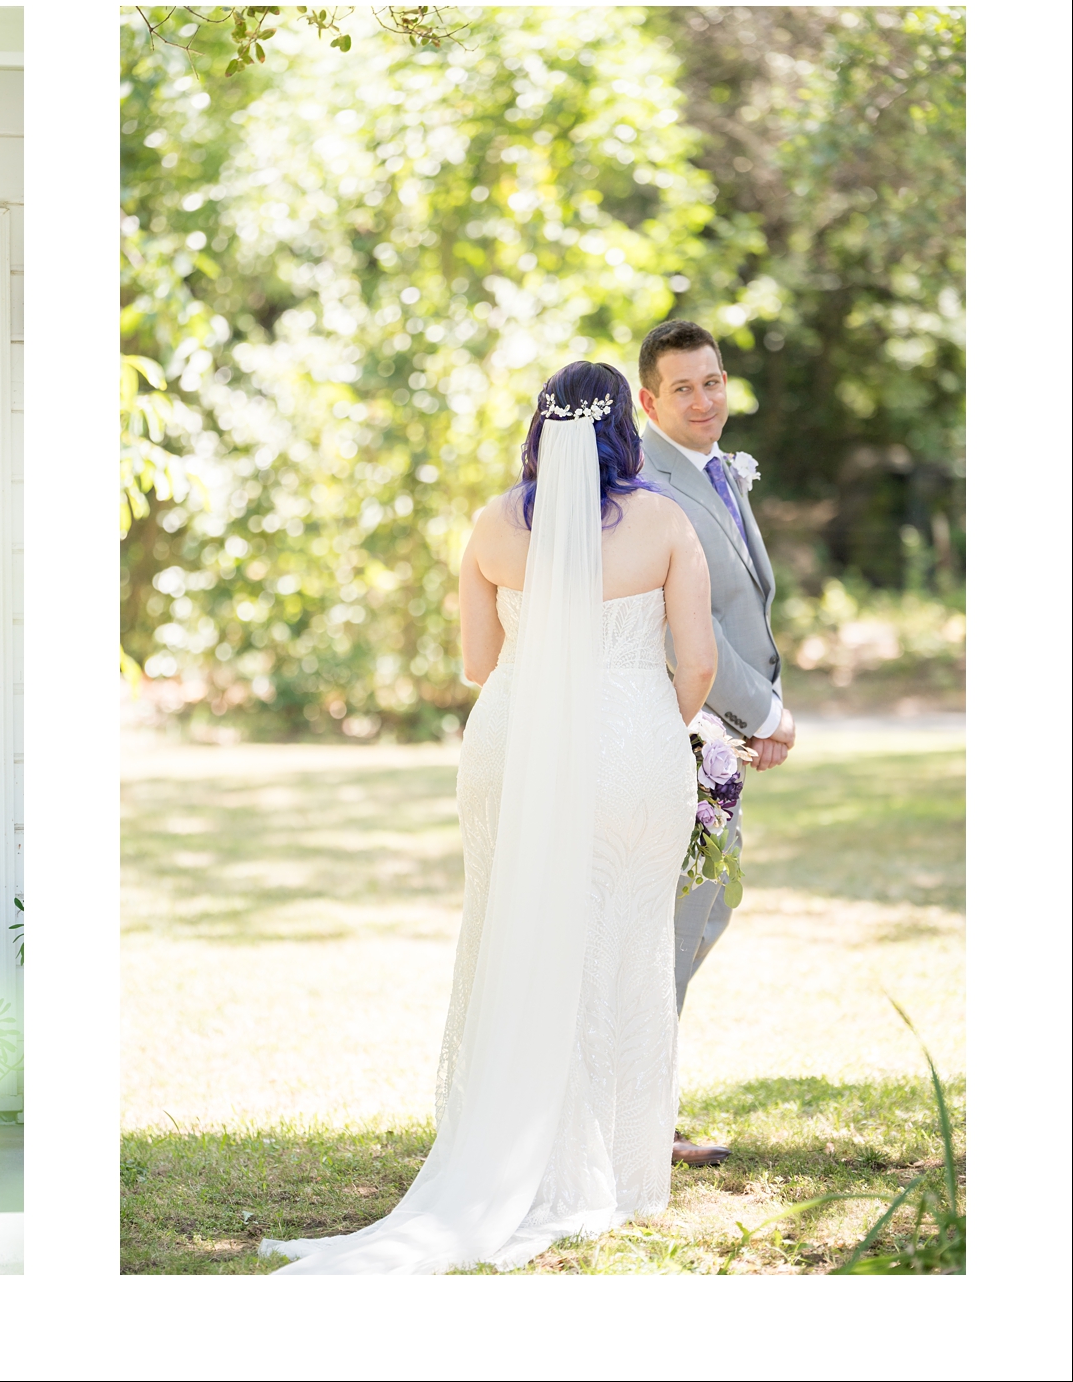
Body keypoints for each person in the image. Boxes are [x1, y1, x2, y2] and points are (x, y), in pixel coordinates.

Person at [263, 362, 716, 1273]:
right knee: (624, 943)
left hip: (510, 745)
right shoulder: (668, 521)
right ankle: (617, 1168)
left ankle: (511, 1142)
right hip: (632, 745)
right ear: (627, 427)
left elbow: (479, 662)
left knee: (512, 930)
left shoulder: (490, 526)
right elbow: (698, 663)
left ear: (542, 427)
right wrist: (647, 730)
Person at [636, 318, 794, 1167]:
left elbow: (744, 609)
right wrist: (765, 715)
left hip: (717, 730)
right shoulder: (653, 486)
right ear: (646, 400)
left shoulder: (718, 469)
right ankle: (640, 1122)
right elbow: (684, 628)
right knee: (675, 924)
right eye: (684, 388)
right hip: (678, 730)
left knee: (703, 913)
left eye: (714, 381)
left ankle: (639, 1109)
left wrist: (759, 712)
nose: (704, 401)